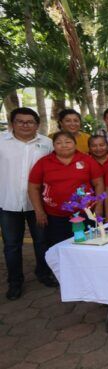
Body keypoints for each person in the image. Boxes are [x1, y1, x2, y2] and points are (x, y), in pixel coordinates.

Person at [0, 107, 55, 299]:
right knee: (12, 245)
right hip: (8, 201)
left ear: (37, 125)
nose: (25, 125)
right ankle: (15, 282)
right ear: (12, 123)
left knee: (41, 241)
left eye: (29, 122)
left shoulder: (47, 143)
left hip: (38, 203)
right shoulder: (1, 141)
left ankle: (43, 273)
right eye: (20, 121)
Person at [28, 131, 105, 247]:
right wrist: (39, 211)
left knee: (85, 245)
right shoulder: (44, 162)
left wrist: (99, 207)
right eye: (59, 143)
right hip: (54, 216)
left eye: (68, 142)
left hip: (85, 214)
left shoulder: (87, 160)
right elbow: (33, 187)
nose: (64, 145)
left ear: (75, 144)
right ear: (53, 146)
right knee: (58, 246)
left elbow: (99, 183)